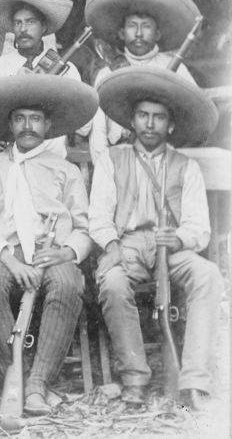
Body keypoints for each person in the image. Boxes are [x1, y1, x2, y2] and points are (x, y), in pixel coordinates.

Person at [0, 73, 99, 415]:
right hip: (5, 251)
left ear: (47, 125)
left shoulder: (64, 169)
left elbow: (84, 226)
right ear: (9, 125)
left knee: (67, 284)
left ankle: (37, 384)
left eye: (35, 118)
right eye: (19, 118)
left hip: (51, 251)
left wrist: (65, 253)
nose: (27, 126)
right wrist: (11, 260)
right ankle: (17, 378)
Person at [90, 66, 220, 410]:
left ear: (170, 125)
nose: (150, 124)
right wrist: (112, 246)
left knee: (207, 275)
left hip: (171, 246)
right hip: (127, 244)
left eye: (159, 117)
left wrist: (177, 239)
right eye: (143, 116)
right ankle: (135, 377)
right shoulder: (111, 159)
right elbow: (99, 218)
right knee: (113, 283)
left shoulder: (186, 166)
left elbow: (199, 227)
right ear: (132, 121)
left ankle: (195, 380)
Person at [84, 0, 199, 165]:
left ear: (157, 34)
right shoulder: (107, 73)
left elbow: (193, 117)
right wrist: (105, 170)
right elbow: (98, 131)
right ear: (122, 33)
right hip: (119, 160)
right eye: (132, 25)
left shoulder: (175, 68)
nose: (138, 33)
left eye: (146, 26)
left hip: (164, 160)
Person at [0, 0, 89, 158]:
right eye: (18, 23)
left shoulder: (66, 69)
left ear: (43, 27)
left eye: (30, 22)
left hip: (52, 158)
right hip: (8, 160)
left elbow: (82, 119)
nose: (23, 29)